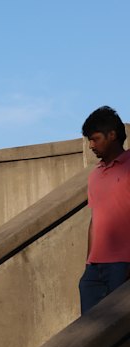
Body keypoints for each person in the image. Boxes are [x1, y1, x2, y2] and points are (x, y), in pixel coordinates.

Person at [78, 106, 130, 314]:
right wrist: (88, 261)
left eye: (95, 139)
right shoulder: (95, 175)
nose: (91, 145)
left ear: (112, 135)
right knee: (90, 335)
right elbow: (94, 220)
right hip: (94, 268)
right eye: (89, 140)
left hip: (123, 264)